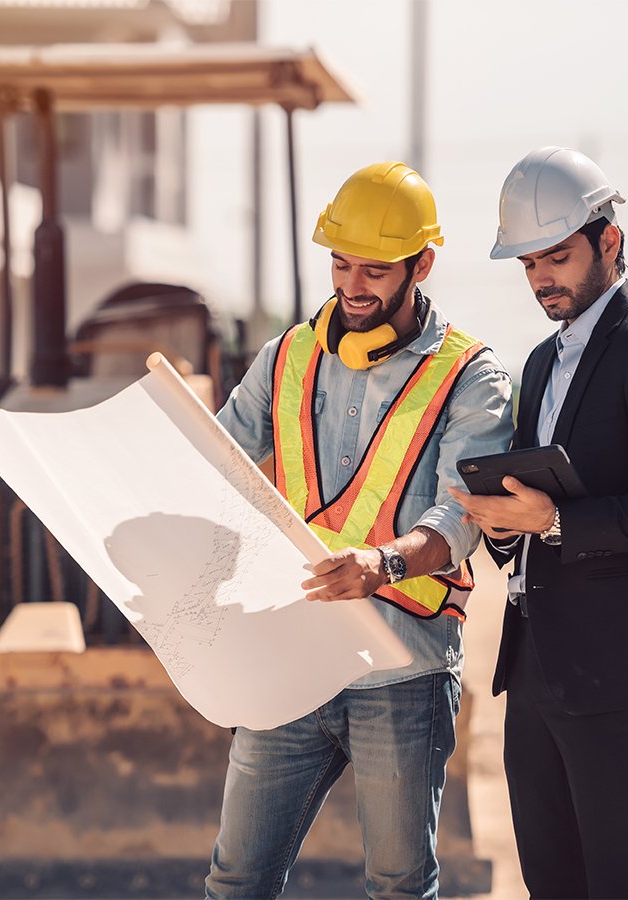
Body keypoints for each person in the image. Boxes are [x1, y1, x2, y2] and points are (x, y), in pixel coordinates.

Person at [205, 161, 514, 900]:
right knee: (236, 880)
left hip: (401, 672)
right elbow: (212, 464)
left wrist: (382, 562)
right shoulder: (284, 358)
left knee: (398, 886)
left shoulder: (469, 377)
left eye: (375, 269)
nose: (351, 285)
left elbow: (460, 516)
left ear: (422, 265)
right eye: (341, 264)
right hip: (290, 659)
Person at [448, 146, 628, 899]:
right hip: (535, 668)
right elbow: (537, 511)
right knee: (552, 884)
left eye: (556, 256)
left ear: (609, 242)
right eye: (528, 262)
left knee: (625, 883)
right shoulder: (538, 362)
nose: (541, 278)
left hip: (621, 672)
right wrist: (506, 525)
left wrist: (559, 520)